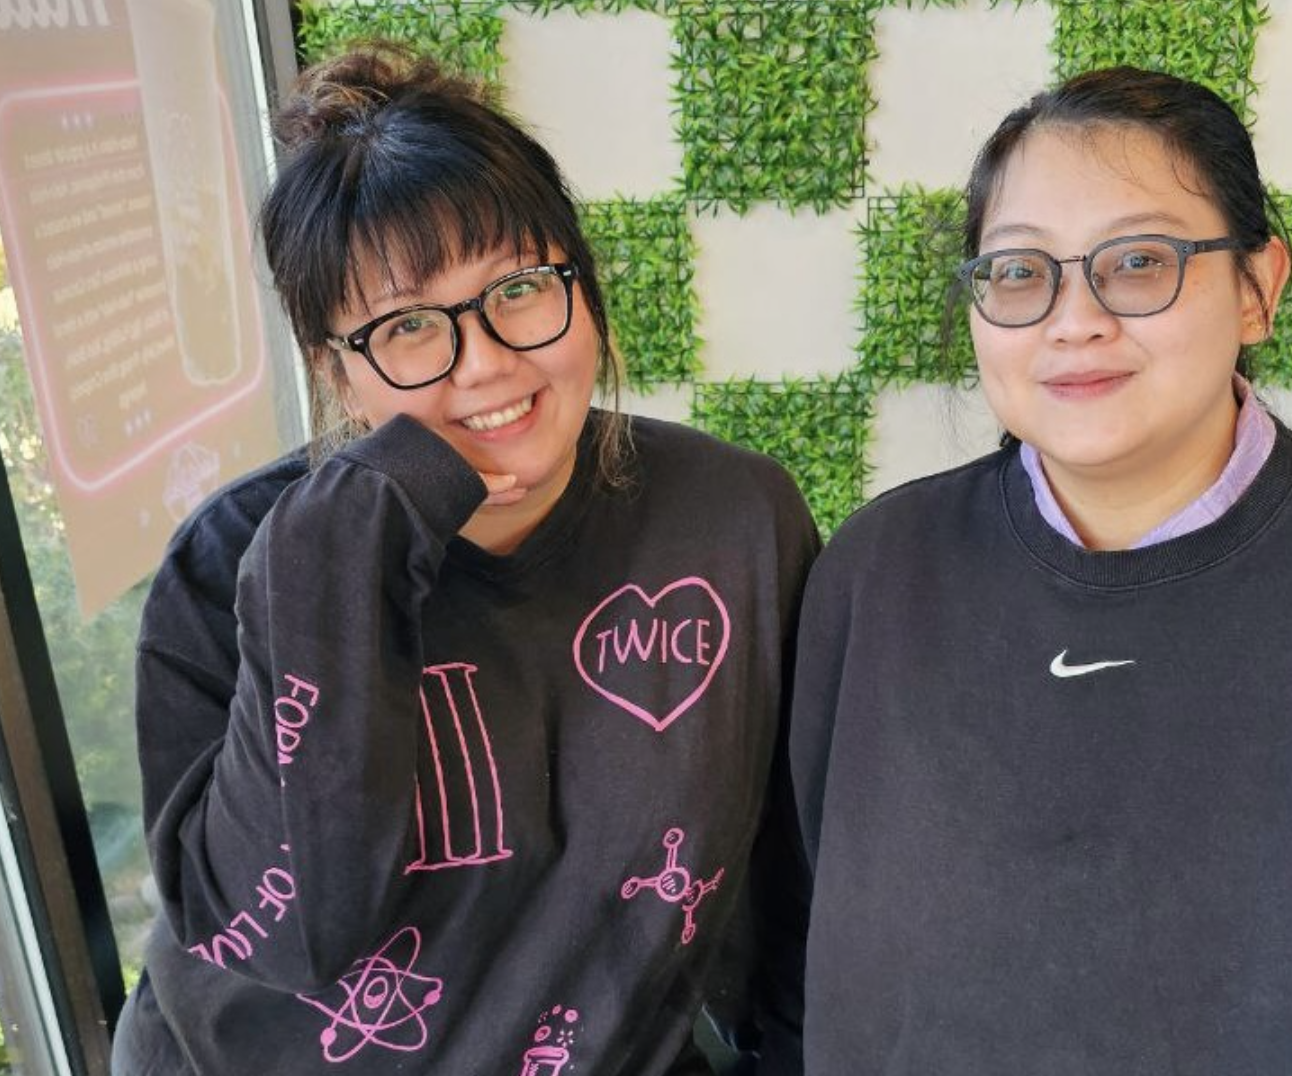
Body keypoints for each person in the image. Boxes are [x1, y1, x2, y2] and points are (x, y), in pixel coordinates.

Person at [782, 67, 1292, 1074]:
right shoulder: (877, 571)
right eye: (1019, 271)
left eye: (1140, 261)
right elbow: (791, 958)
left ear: (1258, 288)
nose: (1073, 320)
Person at [112, 42, 817, 1075]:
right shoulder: (237, 563)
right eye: (406, 325)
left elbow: (802, 872)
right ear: (334, 370)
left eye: (520, 288)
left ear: (584, 284)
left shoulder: (731, 519)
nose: (484, 362)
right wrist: (341, 552)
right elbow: (287, 936)